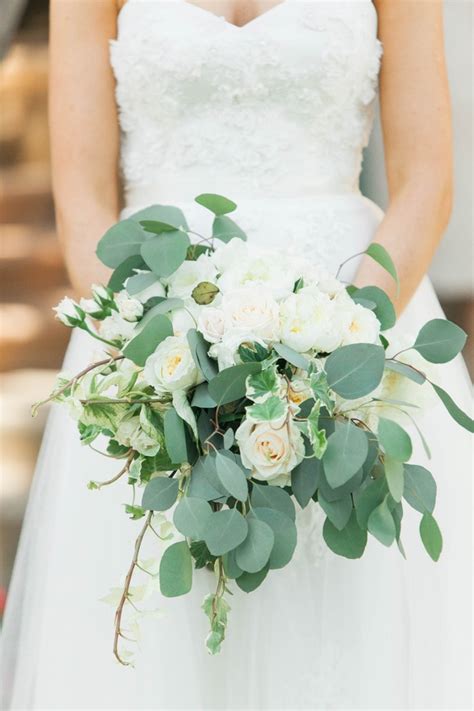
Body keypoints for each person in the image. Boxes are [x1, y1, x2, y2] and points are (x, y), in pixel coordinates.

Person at [1, 1, 471, 708]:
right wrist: (165, 363)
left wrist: (339, 349)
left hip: (355, 328)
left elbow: (427, 181)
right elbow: (85, 210)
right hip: (152, 345)